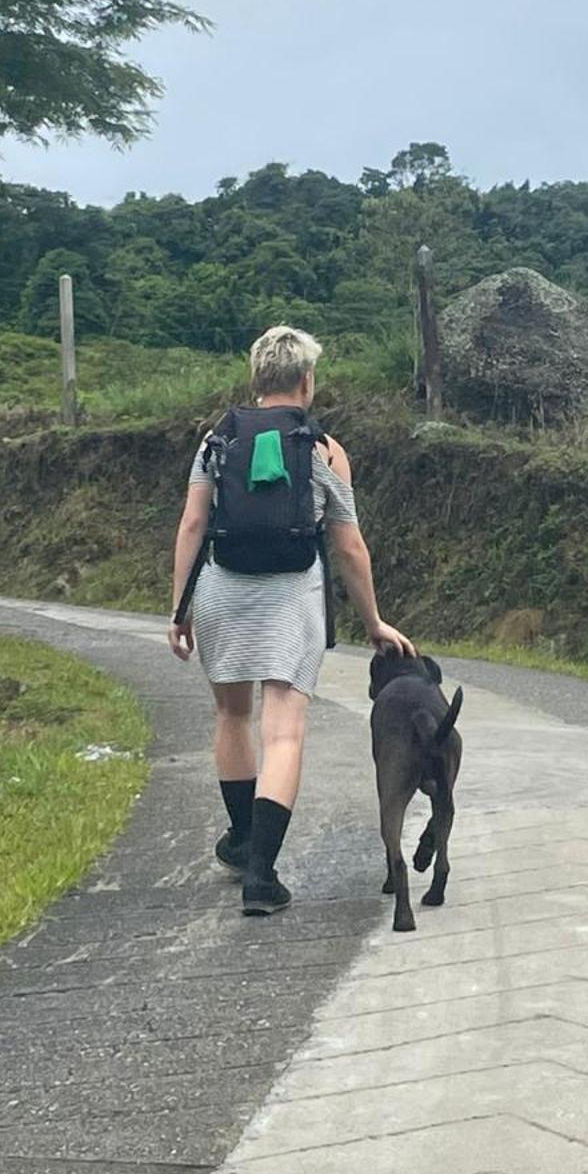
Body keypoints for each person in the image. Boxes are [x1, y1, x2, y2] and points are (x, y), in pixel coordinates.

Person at [168, 325, 413, 916]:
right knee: (283, 731)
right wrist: (374, 621)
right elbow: (350, 548)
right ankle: (261, 875)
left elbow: (192, 527)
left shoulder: (215, 442)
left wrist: (179, 609)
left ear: (256, 381)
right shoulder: (326, 450)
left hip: (221, 593)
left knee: (231, 714)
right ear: (307, 382)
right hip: (290, 598)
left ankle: (244, 839)